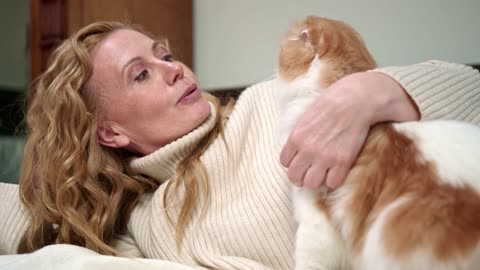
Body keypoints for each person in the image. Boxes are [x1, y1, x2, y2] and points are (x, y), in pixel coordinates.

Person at [0, 21, 479, 270]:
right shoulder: (144, 226)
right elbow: (28, 215)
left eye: (164, 54)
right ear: (111, 134)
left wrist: (372, 93)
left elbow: (470, 92)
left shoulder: (266, 101)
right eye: (141, 74)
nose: (173, 68)